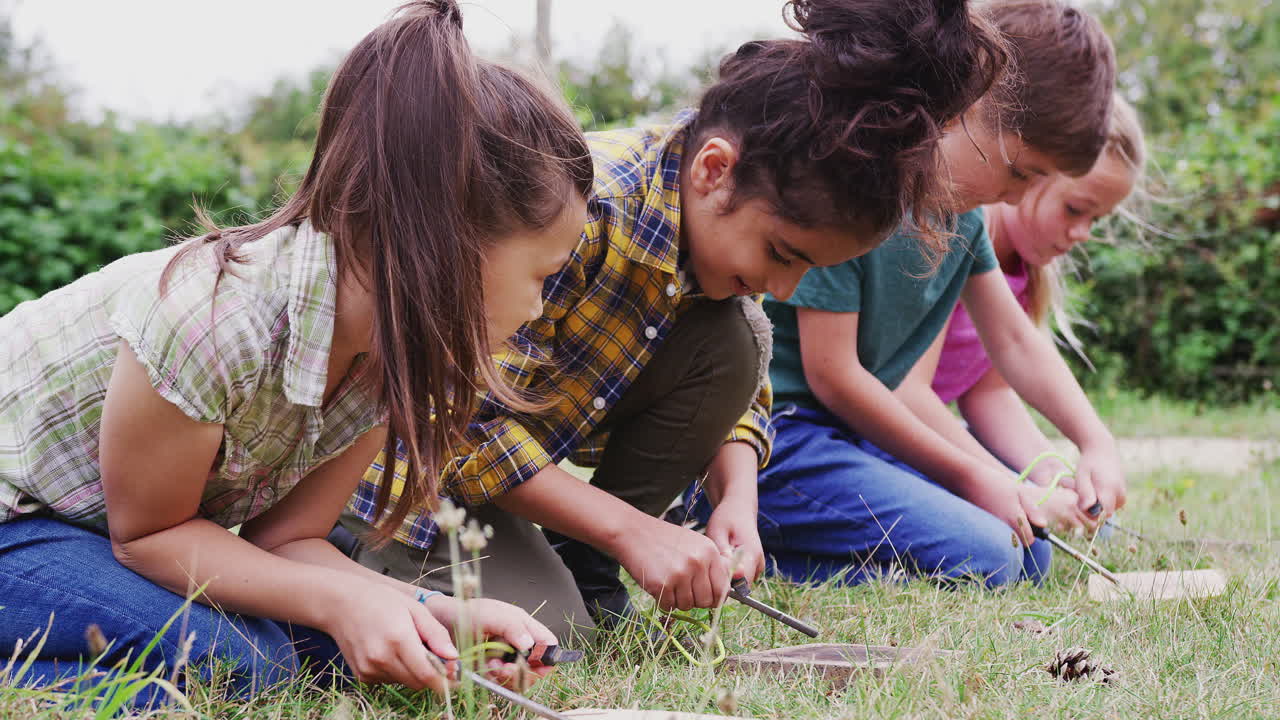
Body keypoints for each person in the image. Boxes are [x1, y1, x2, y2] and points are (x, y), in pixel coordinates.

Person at [335, 0, 1014, 641]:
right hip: (401, 480)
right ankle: (355, 560)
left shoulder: (713, 240)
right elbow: (458, 428)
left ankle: (582, 560)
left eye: (805, 270)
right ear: (715, 170)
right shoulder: (584, 211)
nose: (782, 285)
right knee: (551, 634)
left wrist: (736, 503)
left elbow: (744, 393)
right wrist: (634, 531)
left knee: (741, 338)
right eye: (781, 254)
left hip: (503, 491)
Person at [0, 0, 591, 704]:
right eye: (542, 276)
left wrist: (436, 616)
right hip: (24, 522)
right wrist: (344, 605)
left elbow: (288, 542)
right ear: (447, 243)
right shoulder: (217, 319)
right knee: (250, 664)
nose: (539, 308)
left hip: (103, 543)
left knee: (349, 651)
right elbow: (149, 538)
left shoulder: (388, 353)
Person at [697, 0, 1124, 588]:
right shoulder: (855, 201)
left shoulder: (965, 220)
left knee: (1034, 551)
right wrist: (974, 475)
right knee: (993, 558)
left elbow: (1015, 341)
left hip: (850, 443)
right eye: (1021, 172)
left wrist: (1091, 439)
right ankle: (732, 545)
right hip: (782, 441)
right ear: (967, 111)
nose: (1014, 197)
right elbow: (833, 377)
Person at [926, 94, 1146, 510]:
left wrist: (1048, 474)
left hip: (936, 437)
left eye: (1095, 220)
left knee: (1076, 512)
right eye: (1075, 209)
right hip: (893, 434)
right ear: (1030, 171)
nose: (1082, 234)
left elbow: (984, 392)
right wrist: (1005, 485)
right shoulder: (955, 242)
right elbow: (908, 393)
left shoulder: (1022, 275)